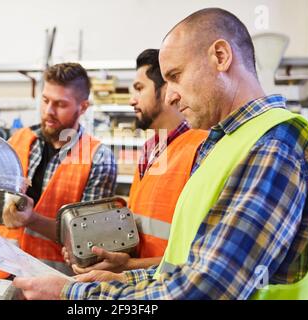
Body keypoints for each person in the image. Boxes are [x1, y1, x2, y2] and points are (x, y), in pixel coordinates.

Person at [12, 8, 308, 300]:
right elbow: (186, 268)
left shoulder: (273, 144)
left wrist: (73, 296)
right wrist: (117, 280)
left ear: (220, 56)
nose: (172, 95)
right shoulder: (227, 143)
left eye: (175, 76)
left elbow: (207, 289)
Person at [64, 49, 207, 275]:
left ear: (168, 90)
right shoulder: (151, 149)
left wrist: (127, 267)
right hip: (138, 288)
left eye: (140, 89)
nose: (132, 100)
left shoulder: (201, 149)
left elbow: (200, 257)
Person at [0, 62, 117, 278]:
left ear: (83, 107)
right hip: (2, 275)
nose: (48, 111)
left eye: (60, 104)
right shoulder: (18, 140)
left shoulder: (98, 158)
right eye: (45, 101)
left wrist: (32, 219)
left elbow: (88, 239)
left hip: (54, 282)